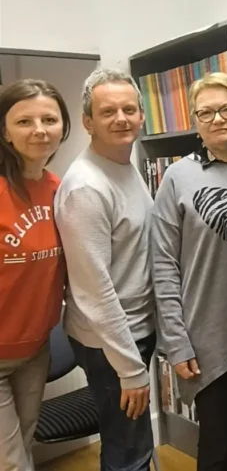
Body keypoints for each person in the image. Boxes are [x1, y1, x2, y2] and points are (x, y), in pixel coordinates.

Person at [152, 72, 227, 471]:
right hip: (210, 341)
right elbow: (163, 264)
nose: (218, 119)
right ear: (195, 120)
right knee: (217, 453)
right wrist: (176, 342)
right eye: (206, 112)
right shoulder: (176, 177)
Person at [55, 69, 156, 470]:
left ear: (141, 115)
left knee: (131, 443)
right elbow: (93, 290)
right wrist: (129, 369)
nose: (121, 119)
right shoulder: (86, 186)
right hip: (111, 343)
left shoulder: (123, 166)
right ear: (88, 121)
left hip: (130, 332)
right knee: (128, 453)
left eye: (129, 109)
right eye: (108, 111)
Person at [0, 80, 69, 471]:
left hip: (34, 351)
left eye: (49, 119)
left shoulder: (60, 189)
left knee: (22, 451)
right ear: (5, 132)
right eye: (24, 121)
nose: (39, 130)